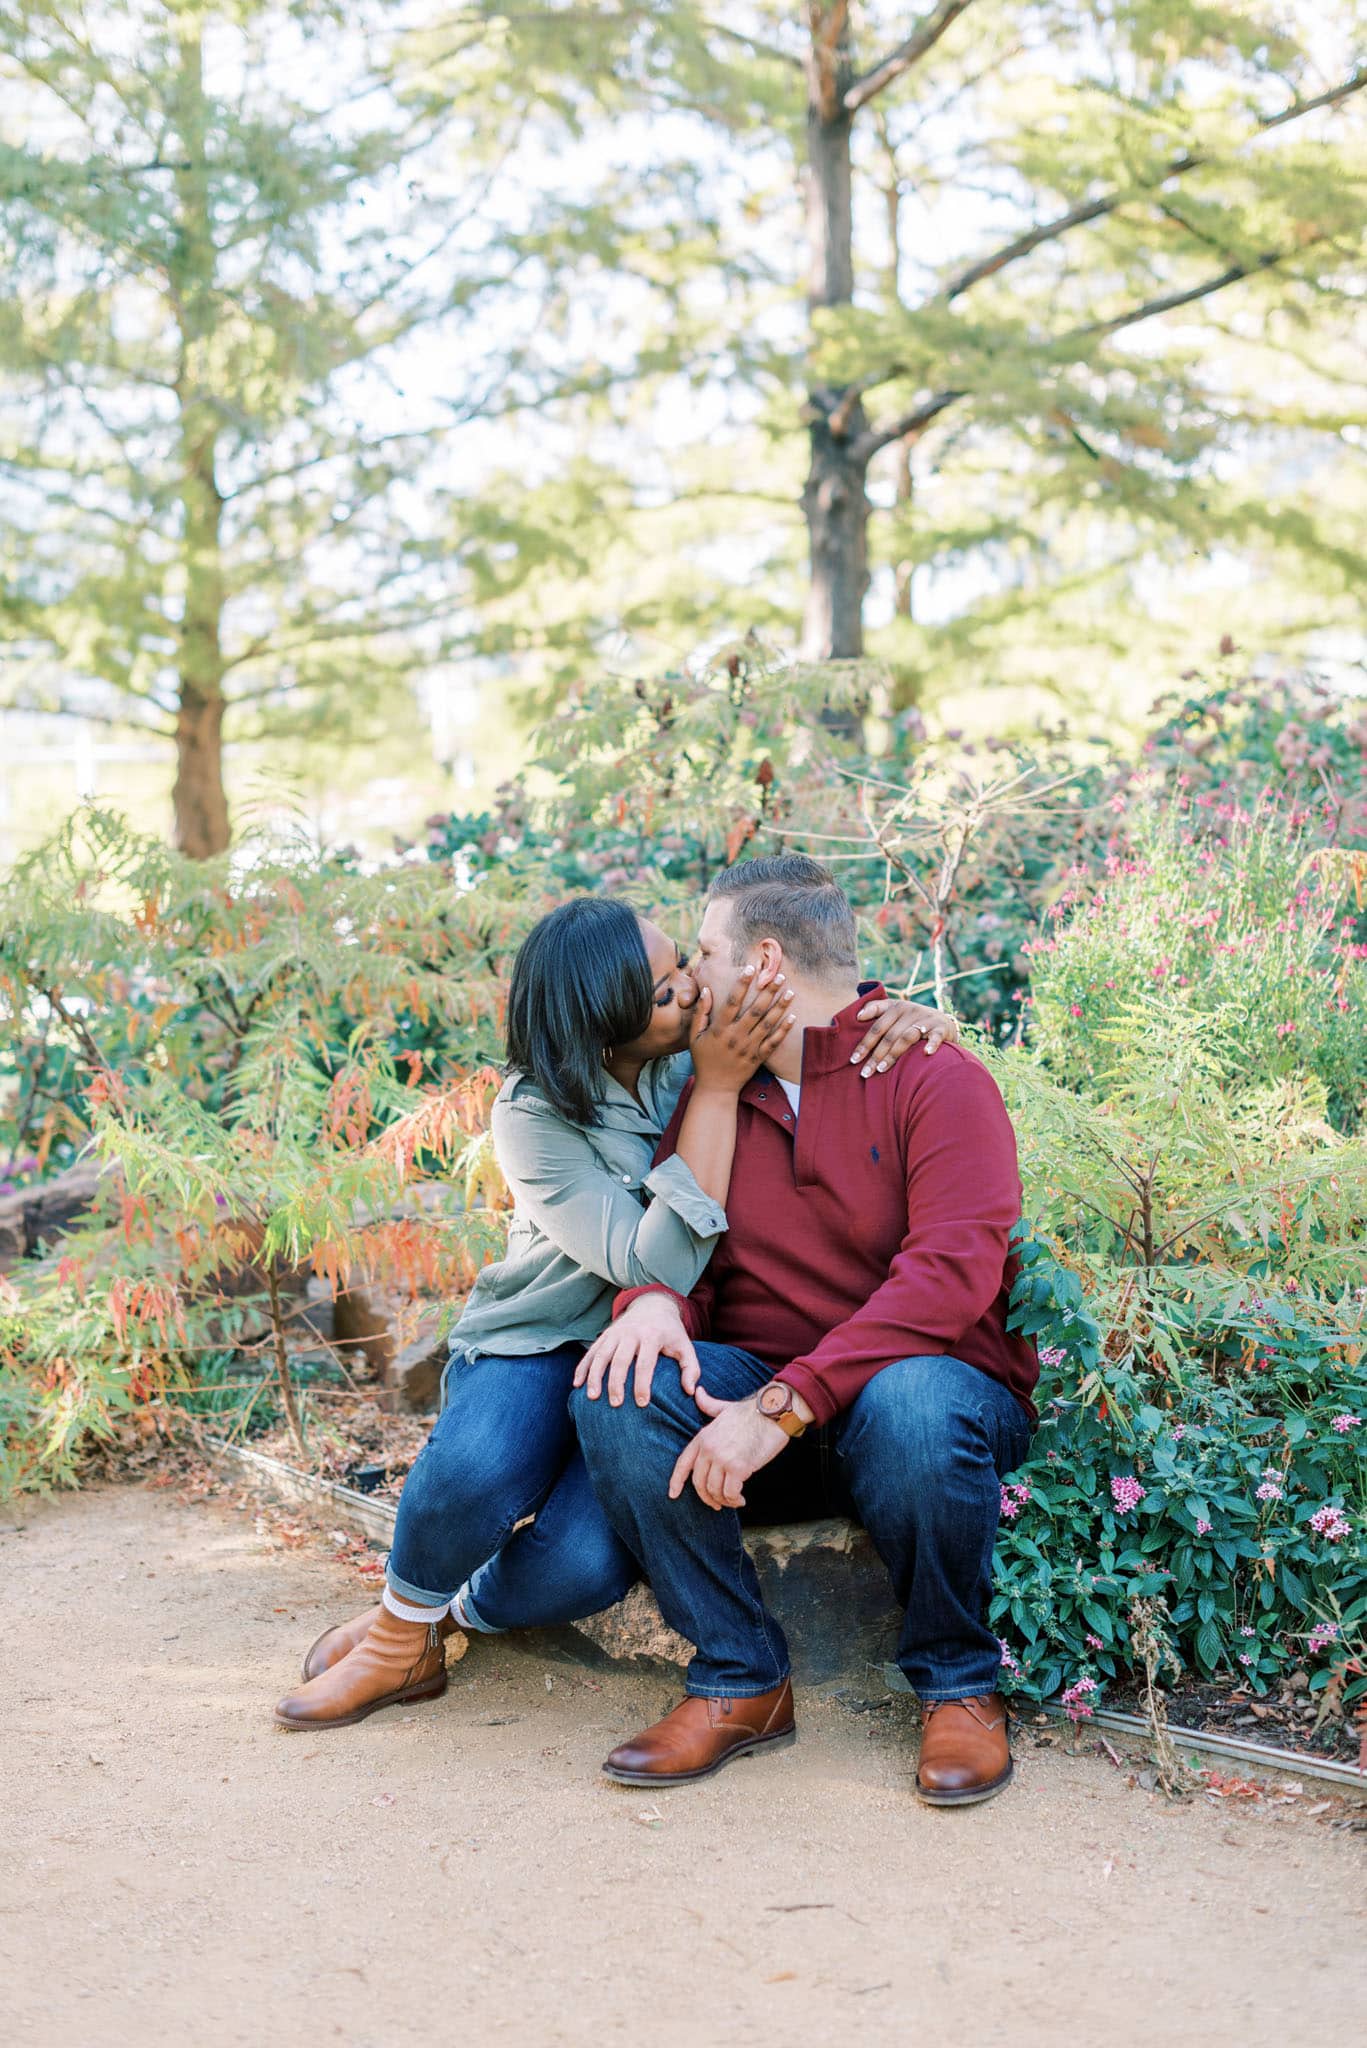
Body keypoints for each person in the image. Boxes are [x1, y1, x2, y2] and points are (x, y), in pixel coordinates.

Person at [274, 890, 958, 1730]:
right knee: (477, 1467)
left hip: (654, 1354)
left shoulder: (697, 1048)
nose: (692, 988)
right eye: (667, 989)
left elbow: (816, 1004)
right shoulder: (535, 1113)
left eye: (682, 963)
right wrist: (715, 1093)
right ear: (604, 1026)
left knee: (581, 1567)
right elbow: (649, 1262)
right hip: (546, 1338)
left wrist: (907, 1016)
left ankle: (444, 1617)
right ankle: (392, 1640)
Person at [572, 855, 1037, 1807]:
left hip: (924, 1408)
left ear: (765, 963)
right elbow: (687, 1254)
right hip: (769, 1412)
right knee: (623, 1377)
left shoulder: (935, 1078)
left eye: (704, 952)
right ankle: (739, 1678)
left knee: (912, 1398)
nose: (691, 975)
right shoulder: (715, 1091)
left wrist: (781, 1405)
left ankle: (958, 1684)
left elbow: (945, 1282)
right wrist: (656, 1304)